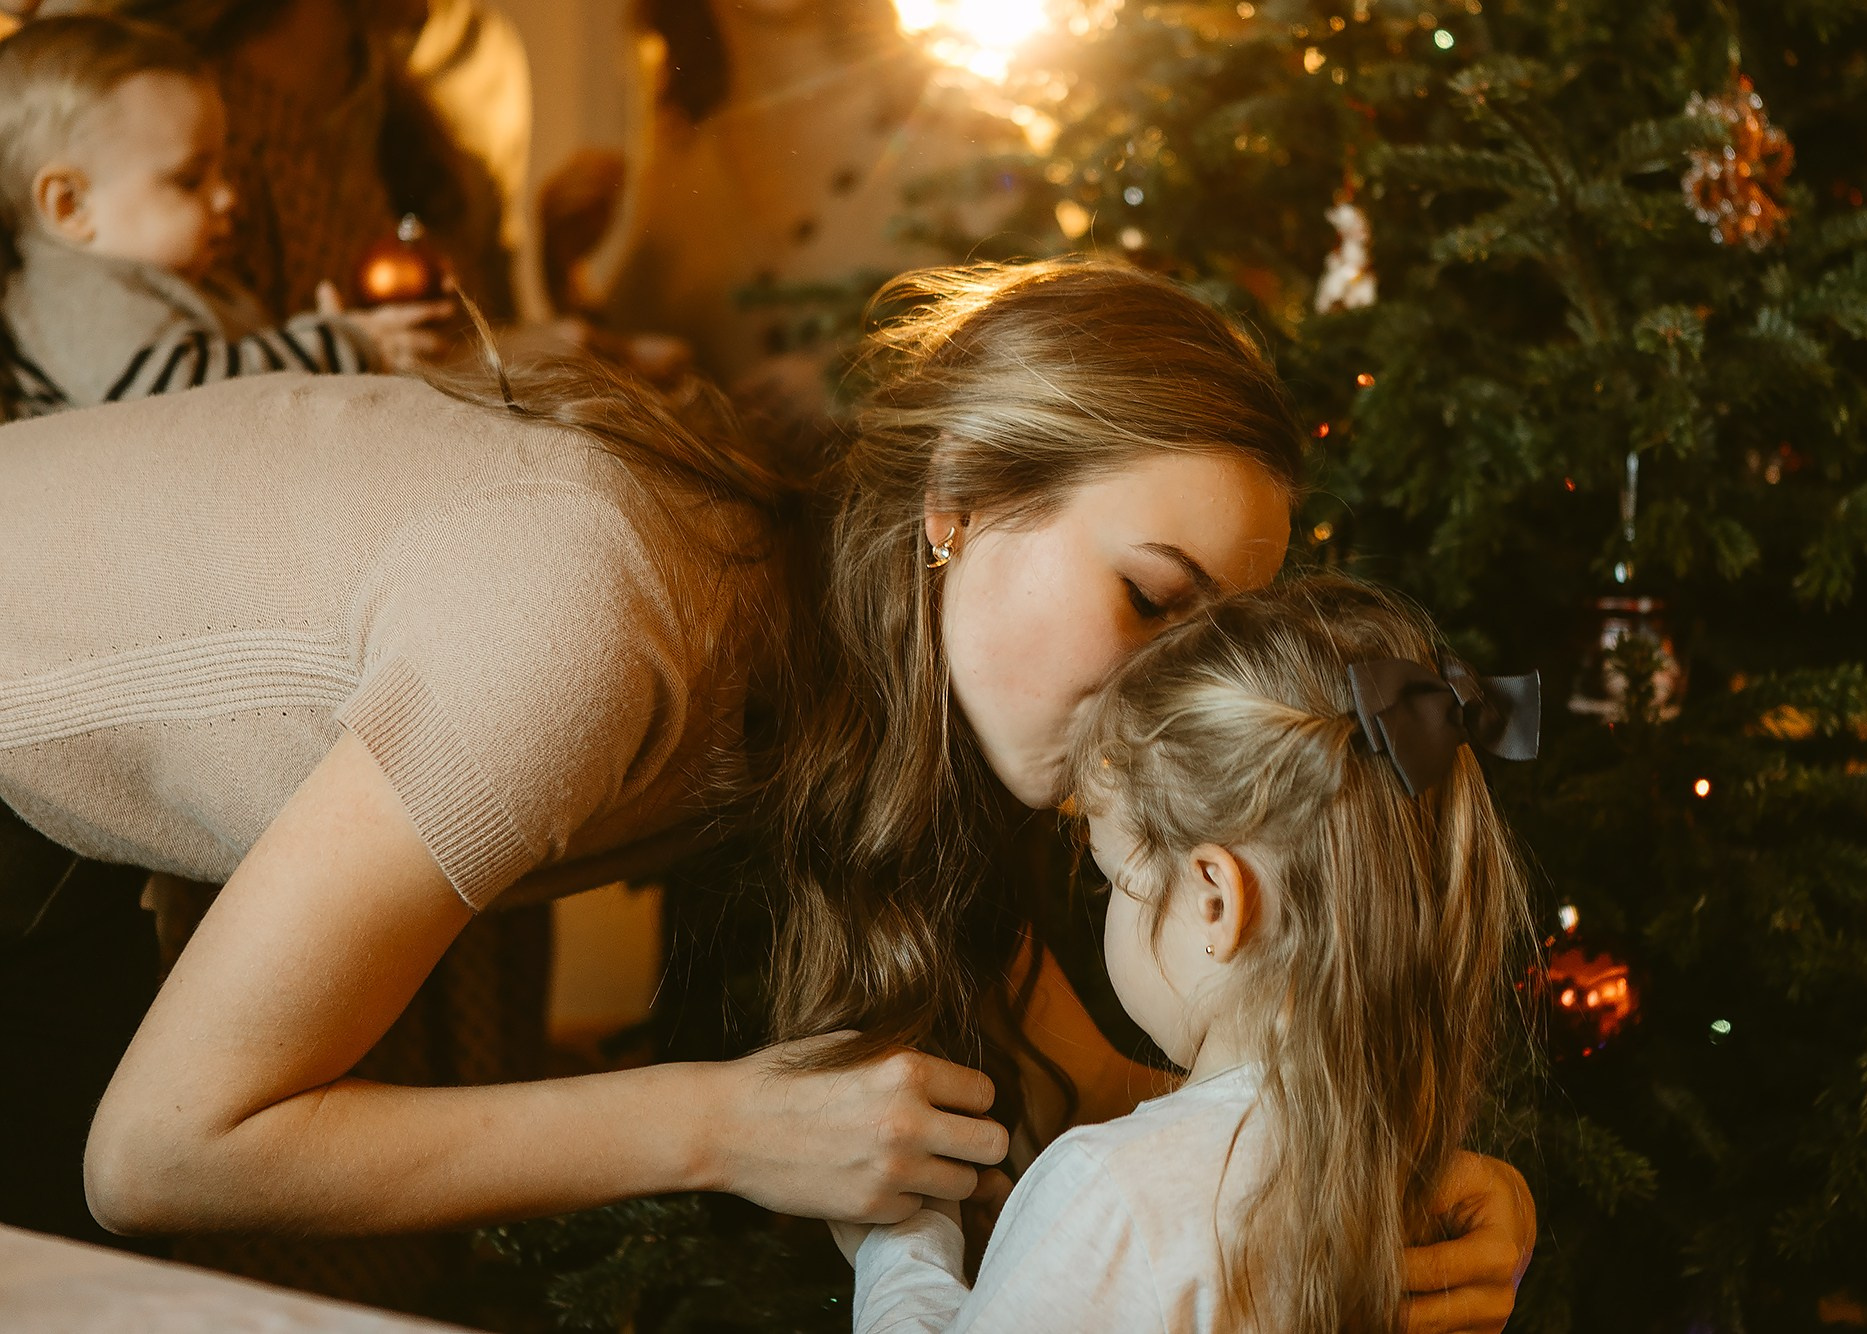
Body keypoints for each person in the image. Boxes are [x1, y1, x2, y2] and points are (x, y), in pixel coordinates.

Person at [0, 258, 1531, 1328]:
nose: (1163, 695)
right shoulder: (588, 616)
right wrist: (717, 1124)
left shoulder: (901, 696)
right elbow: (160, 1151)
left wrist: (1413, 1190)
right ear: (959, 505)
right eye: (1148, 598)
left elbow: (1101, 1098)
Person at [831, 575, 1537, 1332]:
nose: (1109, 906)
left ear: (1214, 900)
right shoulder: (1421, 1186)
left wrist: (903, 1249)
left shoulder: (1118, 1190)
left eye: (1113, 880)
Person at [0, 15, 448, 418]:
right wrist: (338, 346)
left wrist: (321, 338)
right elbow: (184, 400)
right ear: (70, 206)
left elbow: (245, 370)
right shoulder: (75, 294)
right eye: (190, 180)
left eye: (223, 172)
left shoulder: (189, 282)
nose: (229, 197)